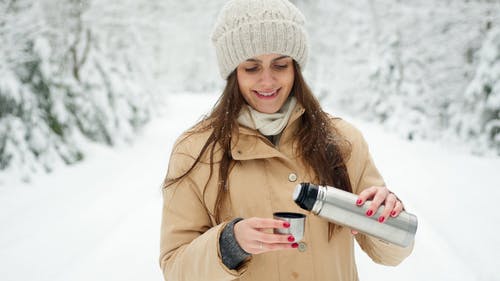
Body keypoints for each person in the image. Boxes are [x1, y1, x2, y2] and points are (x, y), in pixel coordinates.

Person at [159, 0, 414, 280]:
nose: (267, 81)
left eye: (280, 64)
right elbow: (175, 269)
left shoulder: (343, 141)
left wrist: (386, 215)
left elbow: (391, 255)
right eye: (251, 68)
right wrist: (229, 244)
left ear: (296, 68)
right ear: (233, 74)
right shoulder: (195, 150)